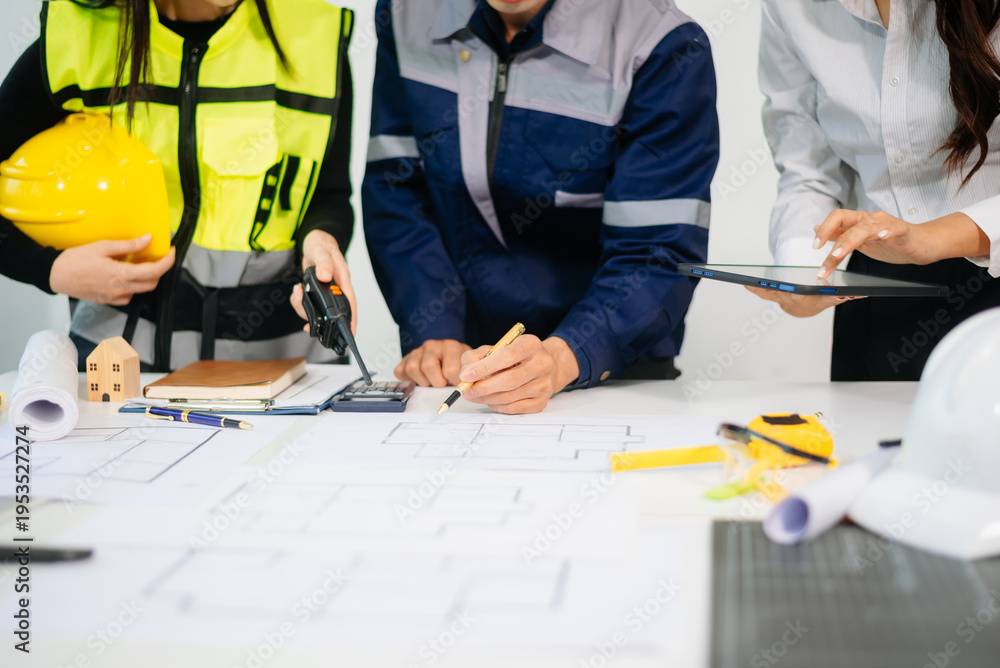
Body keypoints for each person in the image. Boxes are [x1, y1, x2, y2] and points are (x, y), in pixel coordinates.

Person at [363, 0, 720, 414]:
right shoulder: (407, 11)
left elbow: (657, 250)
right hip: (460, 369)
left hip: (611, 367)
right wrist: (434, 325)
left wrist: (566, 356)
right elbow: (397, 189)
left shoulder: (661, 42)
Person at [0, 0, 357, 370]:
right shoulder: (80, 34)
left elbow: (328, 193)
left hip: (288, 368)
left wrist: (321, 238)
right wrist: (49, 269)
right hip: (122, 369)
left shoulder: (315, 35)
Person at [752, 0, 1000, 381]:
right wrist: (803, 273)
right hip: (879, 289)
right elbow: (808, 168)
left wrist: (931, 237)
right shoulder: (789, 6)